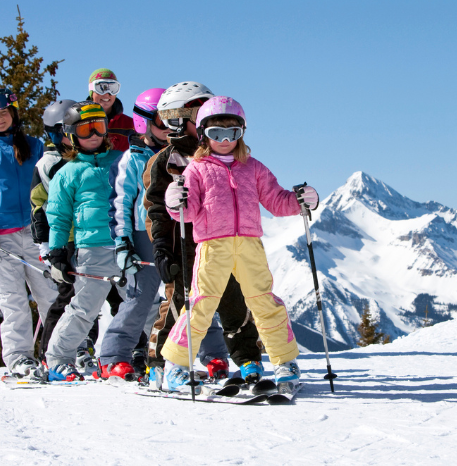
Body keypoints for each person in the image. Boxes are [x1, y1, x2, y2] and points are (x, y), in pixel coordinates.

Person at [160, 95, 316, 393]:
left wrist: (300, 201)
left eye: (233, 133)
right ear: (203, 134)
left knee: (263, 301)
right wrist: (174, 202)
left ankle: (284, 361)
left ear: (241, 134)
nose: (224, 140)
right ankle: (176, 366)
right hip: (212, 245)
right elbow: (188, 212)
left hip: (249, 245)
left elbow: (275, 200)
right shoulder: (197, 169)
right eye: (216, 133)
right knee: (201, 304)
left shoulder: (252, 167)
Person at [143, 82, 259, 387]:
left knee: (234, 299)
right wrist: (161, 249)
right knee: (181, 304)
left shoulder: (226, 156)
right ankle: (159, 364)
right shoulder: (164, 161)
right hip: (184, 246)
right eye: (199, 115)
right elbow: (155, 209)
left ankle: (248, 359)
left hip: (222, 243)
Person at [0, 88, 57, 378]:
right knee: (13, 300)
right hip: (2, 239)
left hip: (36, 233)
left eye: (3, 113)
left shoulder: (35, 146)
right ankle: (20, 357)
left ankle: (61, 352)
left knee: (50, 295)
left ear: (14, 113)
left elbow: (52, 183)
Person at [44, 101, 126, 381]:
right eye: (85, 129)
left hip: (126, 245)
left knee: (142, 304)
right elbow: (58, 216)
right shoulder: (67, 172)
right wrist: (56, 252)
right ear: (71, 135)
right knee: (85, 308)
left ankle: (138, 355)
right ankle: (57, 359)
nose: (93, 134)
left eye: (99, 127)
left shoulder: (120, 160)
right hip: (92, 249)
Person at [96, 89, 170, 379]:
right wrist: (123, 243)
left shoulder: (183, 156)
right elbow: (120, 205)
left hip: (178, 235)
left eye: (174, 122)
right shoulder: (132, 159)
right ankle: (113, 356)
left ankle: (210, 355)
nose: (169, 129)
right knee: (139, 299)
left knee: (193, 295)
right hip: (143, 236)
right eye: (162, 122)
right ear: (143, 123)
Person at [30, 98, 101, 367]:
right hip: (64, 240)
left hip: (89, 237)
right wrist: (45, 246)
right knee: (67, 294)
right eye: (60, 132)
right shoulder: (48, 164)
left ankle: (83, 347)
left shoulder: (88, 158)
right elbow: (38, 206)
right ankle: (50, 352)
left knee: (90, 295)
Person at [87, 68, 134, 151]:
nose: (107, 94)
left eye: (112, 88)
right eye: (101, 88)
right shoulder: (80, 122)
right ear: (91, 91)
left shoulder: (130, 125)